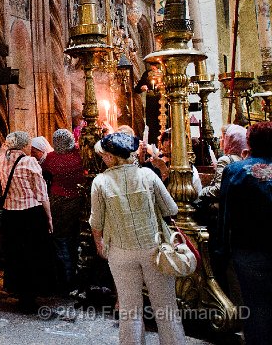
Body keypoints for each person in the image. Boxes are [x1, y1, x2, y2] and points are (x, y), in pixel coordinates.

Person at [90, 132, 185, 345]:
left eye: (105, 155)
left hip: (120, 251)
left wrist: (99, 242)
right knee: (166, 307)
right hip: (154, 248)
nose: (103, 158)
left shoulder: (100, 182)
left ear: (114, 157)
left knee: (129, 309)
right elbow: (171, 208)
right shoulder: (148, 176)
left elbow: (96, 221)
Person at [218, 122, 272, 345]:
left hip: (248, 250)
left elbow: (225, 214)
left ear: (249, 142)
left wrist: (221, 248)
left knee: (255, 306)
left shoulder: (235, 171)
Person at [0, 131, 54, 311]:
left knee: (15, 256)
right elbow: (41, 193)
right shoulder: (29, 162)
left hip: (10, 214)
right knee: (32, 256)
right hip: (29, 215)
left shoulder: (1, 160)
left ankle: (19, 292)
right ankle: (29, 298)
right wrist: (49, 218)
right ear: (23, 145)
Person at [42, 128, 85, 292]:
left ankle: (66, 279)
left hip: (58, 201)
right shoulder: (79, 156)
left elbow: (44, 170)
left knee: (60, 239)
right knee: (74, 238)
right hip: (78, 200)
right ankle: (75, 276)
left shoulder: (52, 159)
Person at [200, 124, 247, 200]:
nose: (220, 140)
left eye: (222, 138)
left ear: (231, 140)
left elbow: (219, 189)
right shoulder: (245, 158)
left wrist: (202, 192)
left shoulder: (225, 160)